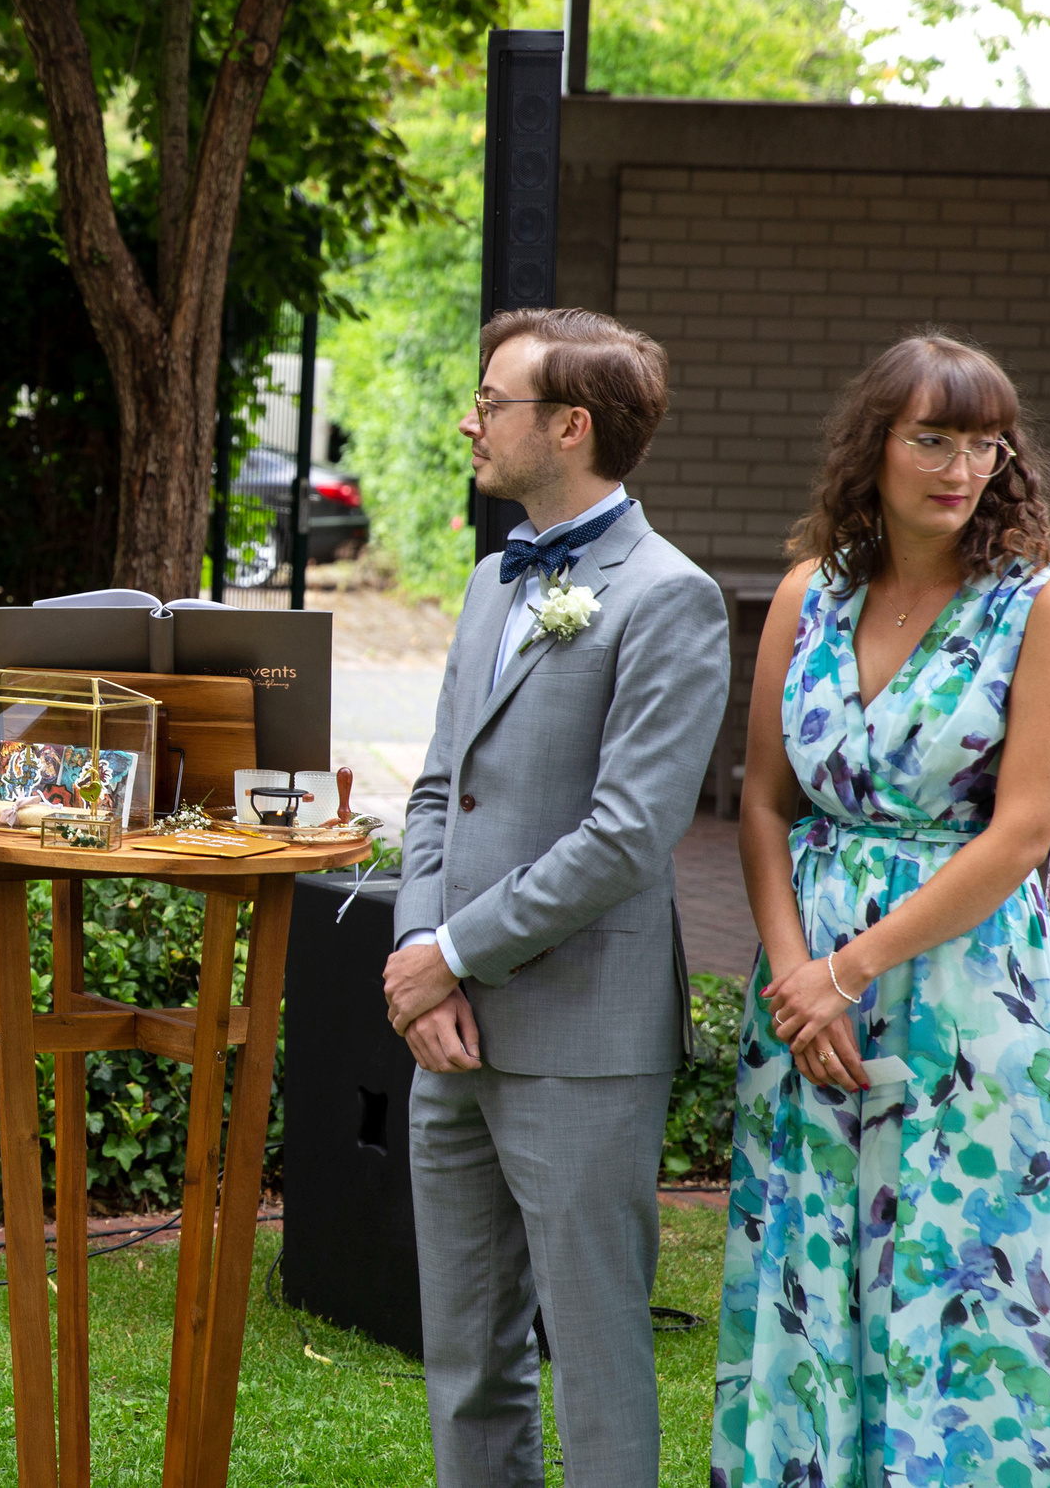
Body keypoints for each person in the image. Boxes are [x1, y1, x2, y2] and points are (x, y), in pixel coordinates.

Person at [712, 332, 1050, 1485]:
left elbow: (1022, 832)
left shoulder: (1042, 606)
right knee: (813, 1268)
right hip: (805, 1008)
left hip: (965, 997)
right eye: (930, 438)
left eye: (984, 443)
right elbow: (763, 802)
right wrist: (798, 984)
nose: (958, 466)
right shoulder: (808, 593)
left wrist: (844, 971)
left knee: (962, 1281)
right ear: (871, 447)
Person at [386, 306, 730, 1488]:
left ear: (569, 425)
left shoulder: (667, 596)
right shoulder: (492, 578)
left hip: (580, 1035)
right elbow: (438, 789)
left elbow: (629, 834)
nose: (471, 420)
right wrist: (420, 949)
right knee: (464, 1356)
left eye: (494, 400)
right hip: (452, 1029)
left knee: (592, 1355)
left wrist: (455, 954)